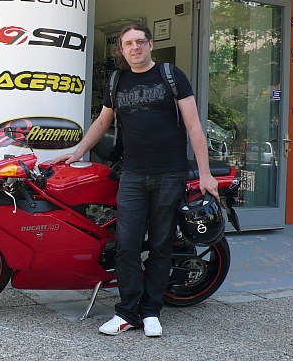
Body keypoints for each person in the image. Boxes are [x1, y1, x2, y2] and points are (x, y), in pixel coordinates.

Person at [49, 23, 219, 337]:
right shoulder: (117, 80)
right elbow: (102, 121)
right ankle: (127, 312)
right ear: (122, 49)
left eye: (140, 42)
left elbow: (194, 125)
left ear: (150, 44)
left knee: (160, 245)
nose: (135, 48)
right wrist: (78, 152)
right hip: (132, 175)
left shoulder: (171, 75)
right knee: (126, 245)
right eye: (128, 44)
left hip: (170, 173)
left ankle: (151, 312)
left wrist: (205, 173)